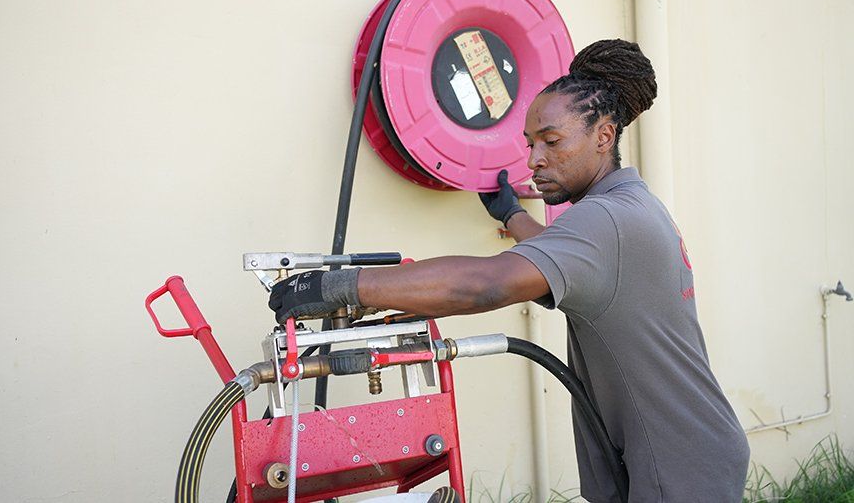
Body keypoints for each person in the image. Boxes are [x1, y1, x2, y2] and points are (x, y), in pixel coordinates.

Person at [267, 39, 750, 502]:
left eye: (552, 141)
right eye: (530, 143)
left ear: (604, 136)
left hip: (676, 464)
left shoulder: (607, 219)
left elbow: (486, 285)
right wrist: (510, 214)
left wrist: (342, 286)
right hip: (681, 449)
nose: (534, 159)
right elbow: (553, 256)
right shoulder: (627, 205)